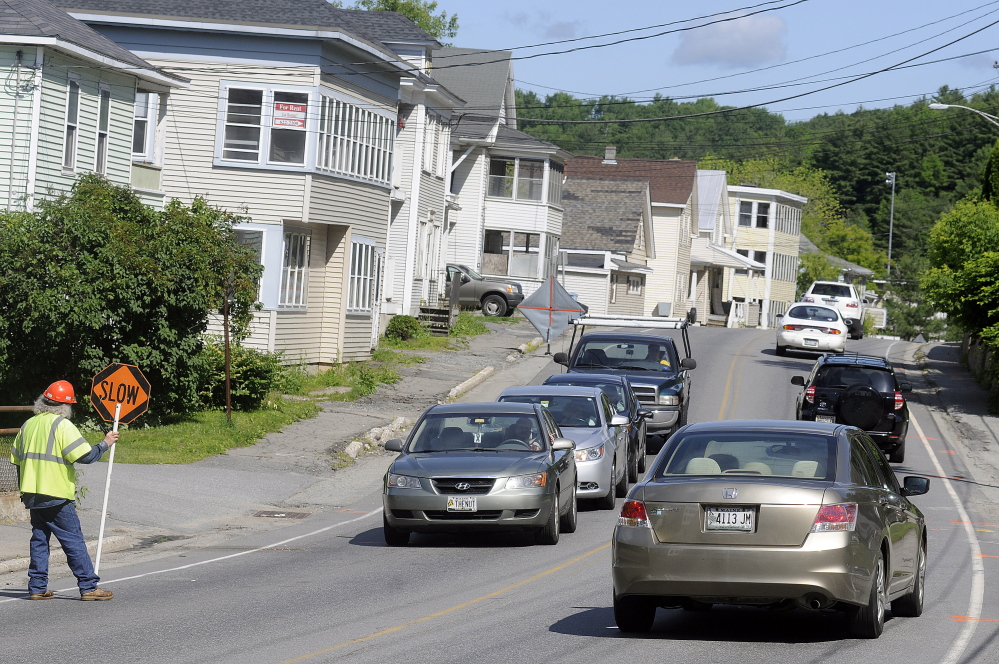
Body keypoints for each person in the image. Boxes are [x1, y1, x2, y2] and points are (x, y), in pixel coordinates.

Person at [9, 380, 119, 601]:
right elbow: (85, 456)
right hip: (56, 494)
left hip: (32, 494)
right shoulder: (62, 426)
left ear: (43, 401)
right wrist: (105, 444)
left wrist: (24, 492)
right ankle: (88, 586)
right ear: (65, 407)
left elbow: (17, 461)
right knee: (73, 540)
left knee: (39, 539)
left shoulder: (28, 425)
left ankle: (37, 587)